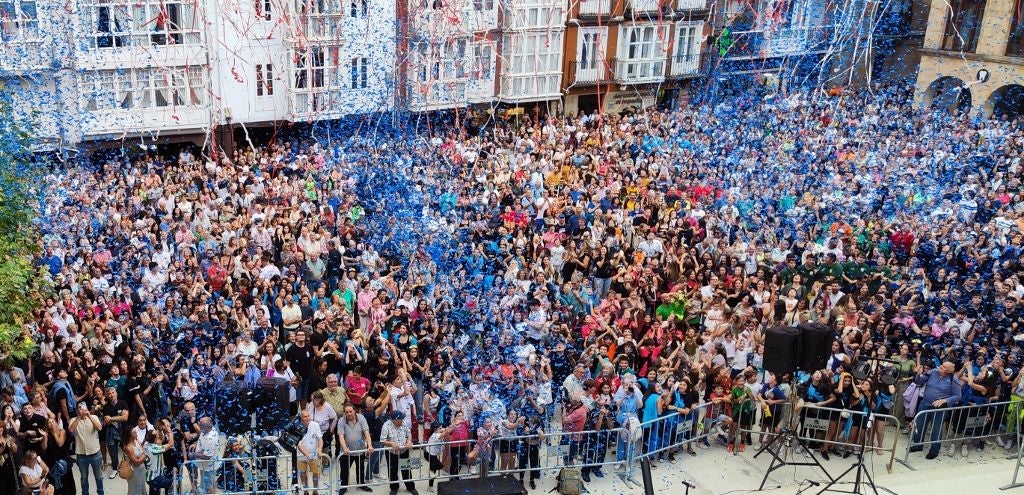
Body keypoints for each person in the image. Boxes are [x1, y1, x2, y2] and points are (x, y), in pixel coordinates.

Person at [909, 361, 963, 459]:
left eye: (943, 367)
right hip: (925, 404)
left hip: (940, 409)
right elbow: (918, 382)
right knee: (919, 425)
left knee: (936, 429)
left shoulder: (953, 379)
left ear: (949, 371)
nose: (940, 367)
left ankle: (934, 450)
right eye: (941, 365)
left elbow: (958, 396)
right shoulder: (933, 372)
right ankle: (918, 445)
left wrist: (945, 400)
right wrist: (917, 374)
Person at [337, 404, 374, 494]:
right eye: (346, 412)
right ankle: (343, 486)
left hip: (359, 450)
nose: (349, 414)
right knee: (344, 471)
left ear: (354, 410)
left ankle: (361, 484)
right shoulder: (341, 421)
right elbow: (341, 437)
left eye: (350, 411)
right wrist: (345, 448)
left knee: (360, 468)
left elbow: (366, 433)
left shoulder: (361, 418)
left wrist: (369, 445)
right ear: (344, 413)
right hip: (346, 452)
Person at [379, 411, 418, 495]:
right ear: (394, 420)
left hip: (404, 450)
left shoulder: (404, 423)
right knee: (393, 470)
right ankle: (394, 488)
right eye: (400, 419)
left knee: (406, 469)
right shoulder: (386, 426)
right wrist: (391, 443)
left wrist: (409, 441)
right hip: (391, 452)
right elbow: (382, 440)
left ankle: (410, 487)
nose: (402, 420)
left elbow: (409, 434)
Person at [70, 402, 105, 495]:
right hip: (81, 455)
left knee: (99, 477)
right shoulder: (73, 420)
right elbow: (71, 430)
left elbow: (99, 428)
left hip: (95, 453)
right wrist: (78, 417)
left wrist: (89, 416)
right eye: (79, 408)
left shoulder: (94, 417)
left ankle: (101, 493)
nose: (82, 410)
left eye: (83, 408)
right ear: (77, 410)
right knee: (84, 477)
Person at [296, 409, 324, 493]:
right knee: (303, 474)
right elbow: (298, 444)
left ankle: (315, 491)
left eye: (308, 416)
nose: (307, 418)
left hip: (314, 455)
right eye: (305, 417)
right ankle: (305, 490)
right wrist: (306, 454)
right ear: (301, 419)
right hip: (301, 455)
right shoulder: (297, 427)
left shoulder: (315, 425)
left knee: (316, 473)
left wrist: (319, 449)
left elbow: (320, 439)